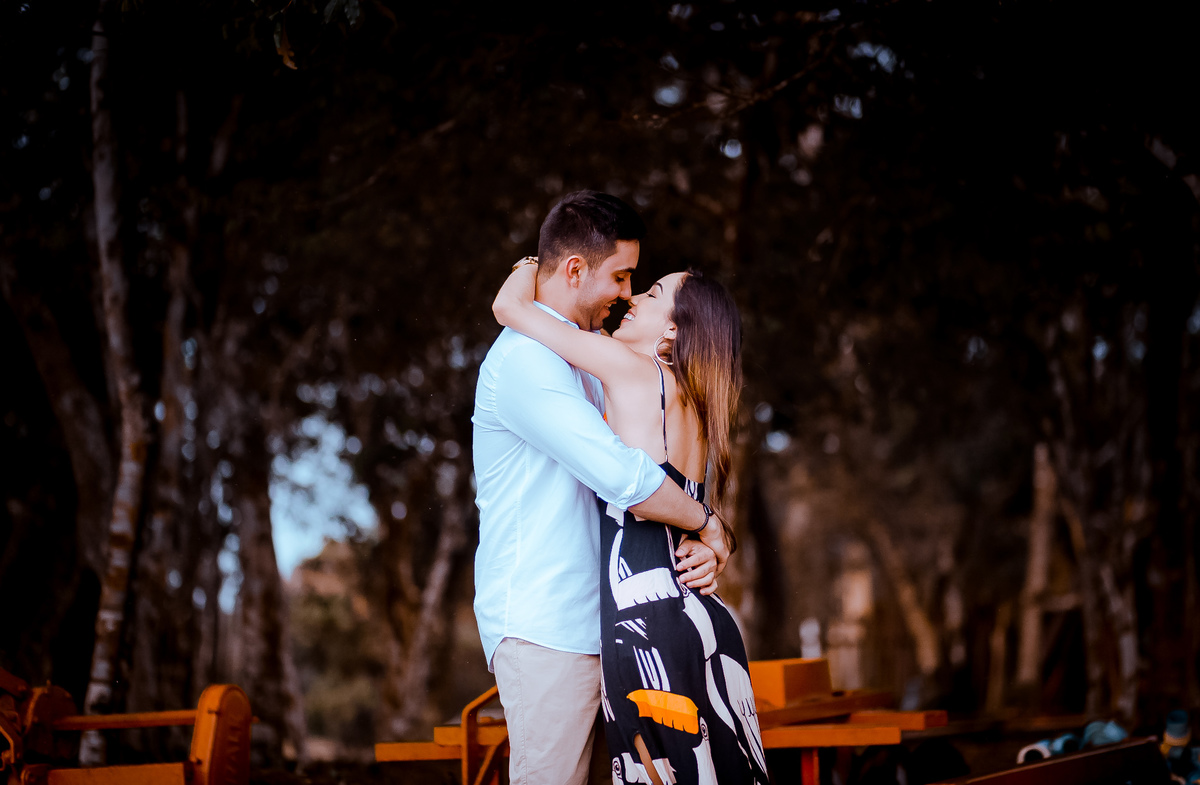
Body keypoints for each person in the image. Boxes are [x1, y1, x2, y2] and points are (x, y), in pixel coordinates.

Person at [472, 191, 731, 785]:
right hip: (550, 634)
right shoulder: (526, 362)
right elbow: (626, 478)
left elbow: (653, 472)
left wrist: (701, 547)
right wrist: (708, 524)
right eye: (621, 276)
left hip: (611, 628)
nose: (626, 292)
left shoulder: (590, 359)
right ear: (572, 270)